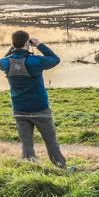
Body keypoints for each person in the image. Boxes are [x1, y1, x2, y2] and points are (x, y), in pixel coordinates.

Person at [0, 31, 66, 168]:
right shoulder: (35, 61)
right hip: (39, 108)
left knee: (26, 142)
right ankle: (60, 167)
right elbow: (55, 59)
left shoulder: (5, 63)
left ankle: (30, 168)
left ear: (13, 44)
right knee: (50, 141)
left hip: (19, 109)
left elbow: (5, 59)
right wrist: (39, 45)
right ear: (27, 43)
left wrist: (13, 48)